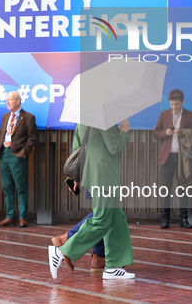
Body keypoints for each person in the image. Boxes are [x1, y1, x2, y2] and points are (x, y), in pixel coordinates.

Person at [48, 120, 135, 280]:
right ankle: (62, 251)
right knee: (101, 219)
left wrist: (74, 178)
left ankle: (114, 266)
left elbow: (77, 148)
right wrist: (124, 131)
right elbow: (114, 146)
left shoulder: (85, 117)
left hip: (94, 173)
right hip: (104, 175)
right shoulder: (104, 119)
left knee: (117, 219)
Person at [153, 89, 192, 229]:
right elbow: (155, 133)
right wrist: (165, 133)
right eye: (172, 104)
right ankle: (165, 219)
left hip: (183, 158)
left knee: (183, 189)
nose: (174, 107)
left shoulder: (191, 116)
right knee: (165, 189)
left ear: (183, 102)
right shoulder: (164, 114)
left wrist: (184, 133)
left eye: (177, 104)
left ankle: (184, 219)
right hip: (167, 158)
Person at [0, 91, 37, 228]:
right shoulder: (5, 116)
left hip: (17, 155)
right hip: (3, 153)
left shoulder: (28, 117)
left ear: (18, 101)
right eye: (6, 100)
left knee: (21, 187)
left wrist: (25, 152)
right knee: (7, 187)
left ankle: (23, 217)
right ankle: (10, 217)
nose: (7, 102)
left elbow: (32, 137)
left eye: (10, 100)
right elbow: (2, 134)